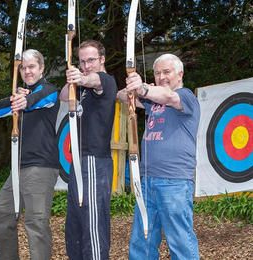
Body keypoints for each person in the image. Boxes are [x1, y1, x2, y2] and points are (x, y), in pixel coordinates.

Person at [117, 53, 200, 259]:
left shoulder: (186, 96)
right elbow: (120, 96)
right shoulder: (152, 103)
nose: (162, 76)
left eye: (167, 72)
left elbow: (170, 97)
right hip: (147, 181)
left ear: (180, 73)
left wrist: (143, 89)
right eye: (157, 72)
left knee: (180, 240)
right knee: (141, 240)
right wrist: (133, 86)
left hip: (174, 181)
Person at [0, 49, 60, 260]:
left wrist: (25, 100)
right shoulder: (21, 95)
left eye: (31, 66)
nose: (27, 71)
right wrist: (16, 98)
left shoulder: (49, 90)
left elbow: (41, 99)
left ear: (41, 68)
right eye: (23, 67)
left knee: (36, 222)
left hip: (41, 166)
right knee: (2, 215)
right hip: (19, 167)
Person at [59, 40, 117, 260]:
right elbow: (64, 96)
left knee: (93, 222)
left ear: (102, 59)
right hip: (79, 160)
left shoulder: (106, 81)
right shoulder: (81, 86)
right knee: (75, 221)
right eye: (82, 61)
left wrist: (81, 78)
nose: (86, 65)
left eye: (91, 60)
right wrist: (74, 79)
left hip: (94, 161)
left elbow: (95, 80)